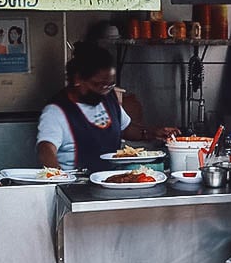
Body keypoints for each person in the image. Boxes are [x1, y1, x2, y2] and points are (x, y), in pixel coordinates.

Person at [36, 43, 177, 173]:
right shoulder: (56, 111)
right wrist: (58, 177)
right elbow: (46, 148)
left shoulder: (108, 98)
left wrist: (153, 132)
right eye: (99, 84)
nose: (105, 90)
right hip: (77, 186)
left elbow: (126, 128)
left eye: (109, 85)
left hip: (112, 179)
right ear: (78, 79)